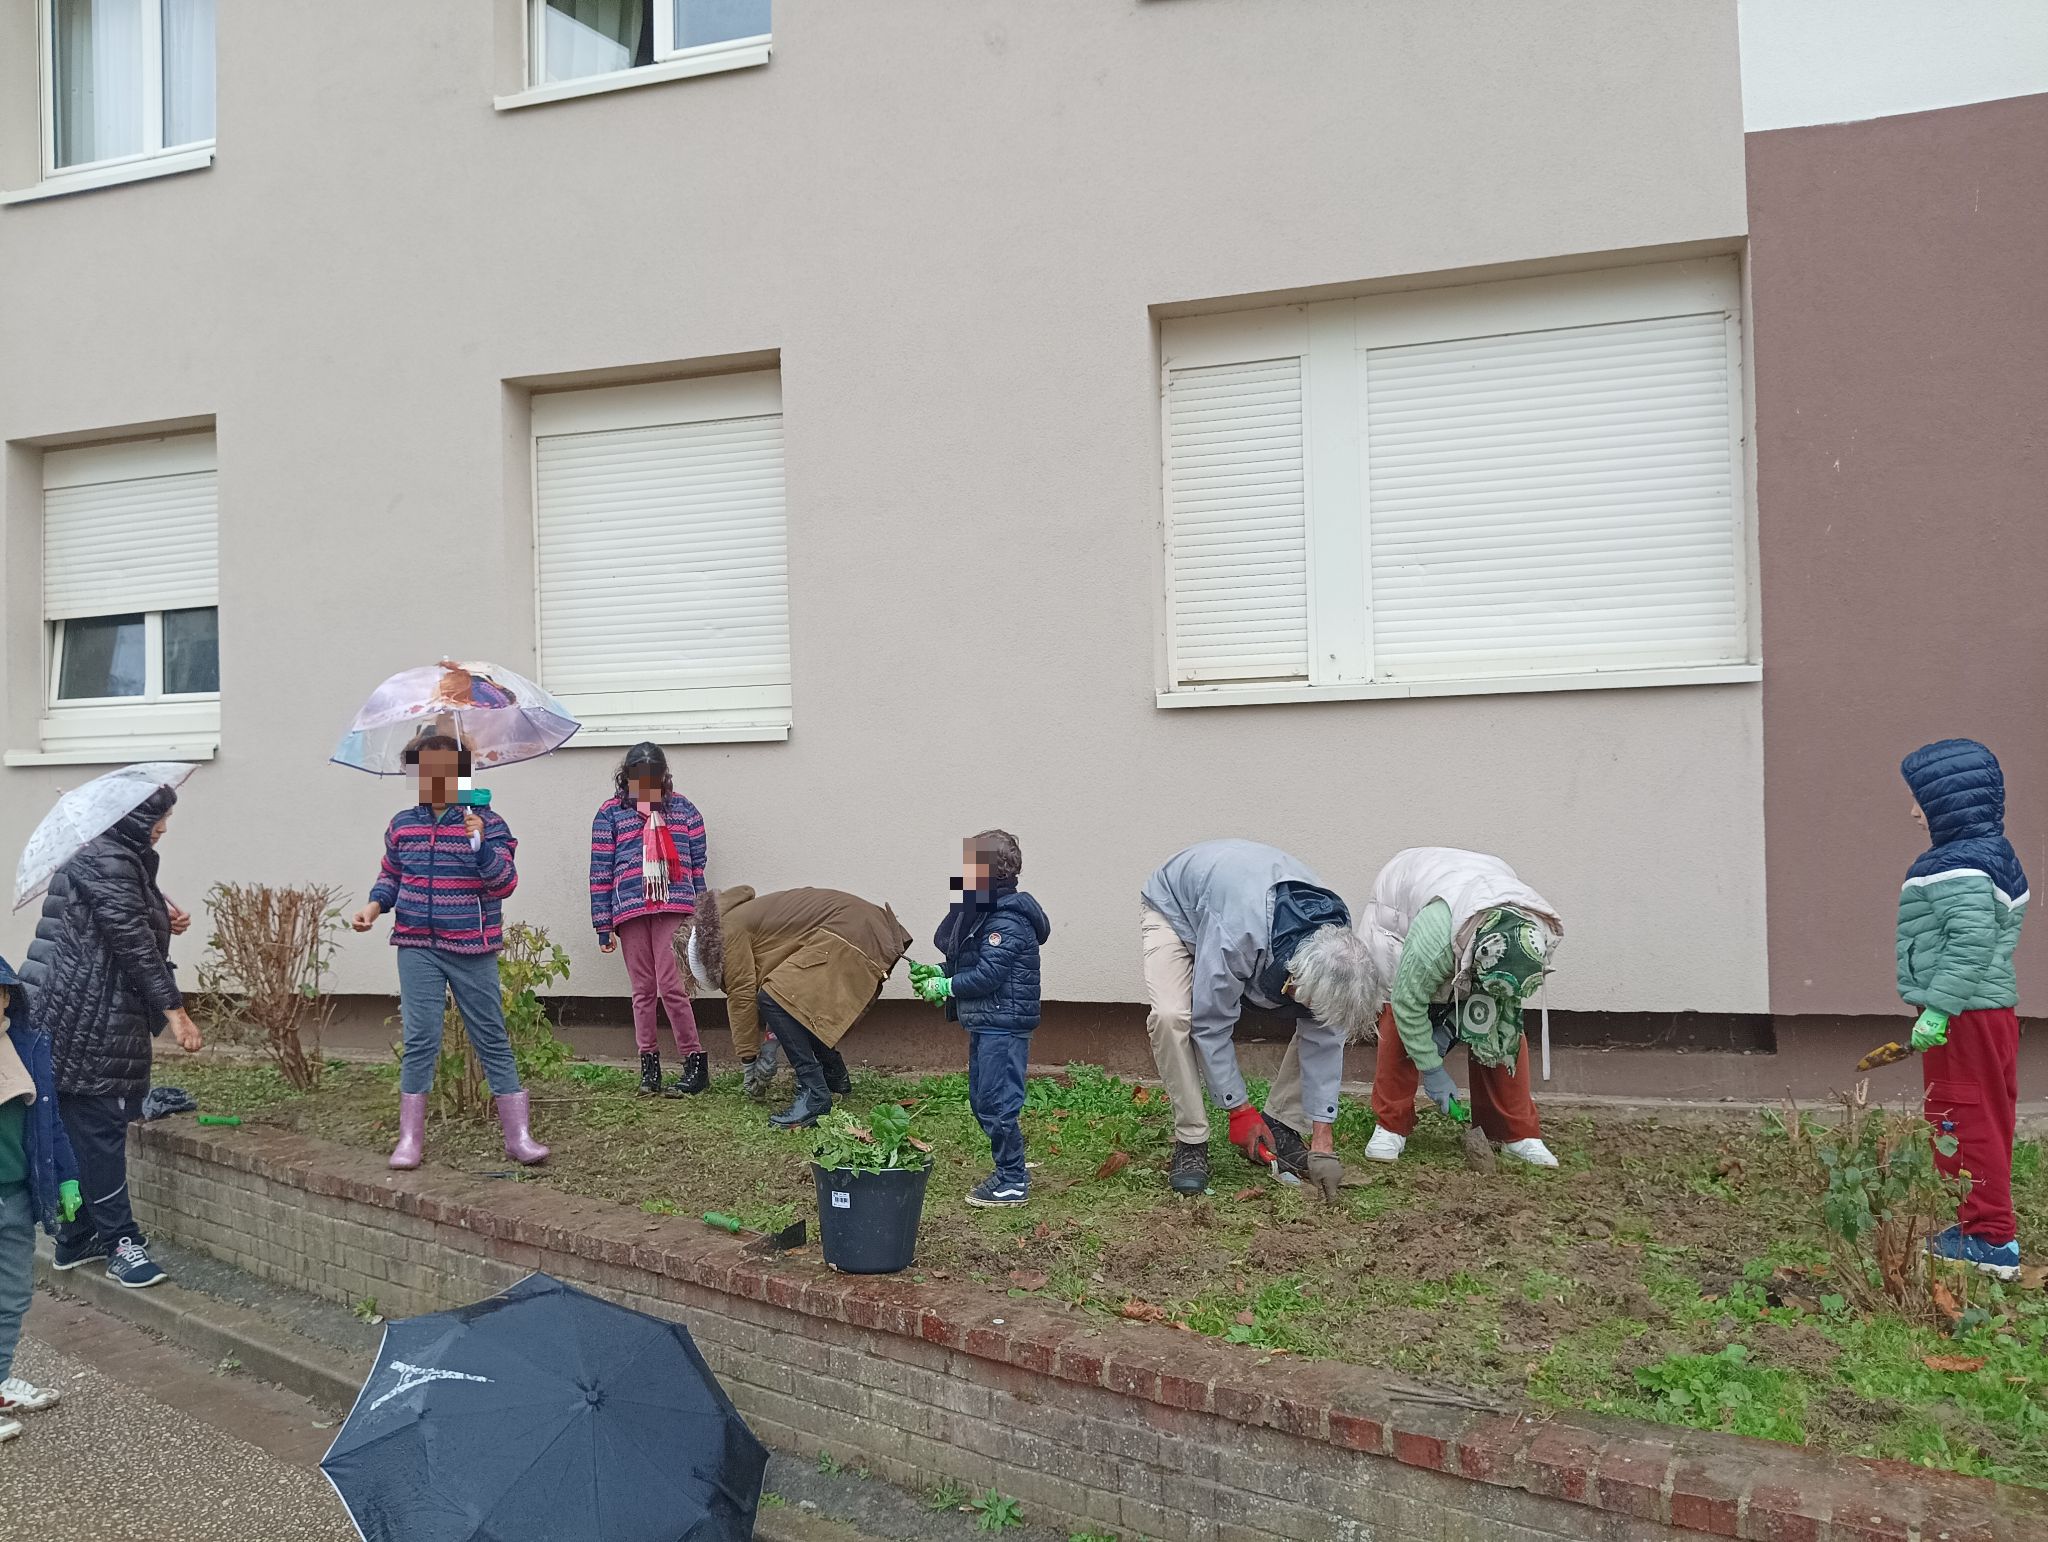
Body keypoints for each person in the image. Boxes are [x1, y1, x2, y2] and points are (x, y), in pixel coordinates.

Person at [21, 785, 200, 1289]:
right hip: (86, 1016)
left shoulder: (116, 855)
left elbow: (121, 924)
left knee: (83, 1128)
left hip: (83, 1009)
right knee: (99, 1128)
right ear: (129, 816)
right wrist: (177, 1013)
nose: (163, 827)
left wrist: (164, 916)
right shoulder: (107, 858)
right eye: (156, 818)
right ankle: (122, 1243)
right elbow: (132, 944)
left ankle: (76, 1237)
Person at [350, 734, 547, 1169]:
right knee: (421, 1039)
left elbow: (505, 884)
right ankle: (409, 1140)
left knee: (491, 1036)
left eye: (444, 770)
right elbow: (392, 876)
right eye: (424, 771)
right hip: (416, 944)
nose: (434, 779)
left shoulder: (488, 823)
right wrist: (374, 905)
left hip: (472, 946)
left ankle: (518, 1137)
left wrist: (481, 848)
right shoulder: (403, 824)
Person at [1139, 840, 1378, 1199]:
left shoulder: (1336, 949)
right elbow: (1211, 1023)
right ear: (1294, 978)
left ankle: (1281, 1123)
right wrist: (1239, 1111)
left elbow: (1325, 1035)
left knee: (1324, 1013)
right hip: (1177, 908)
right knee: (1172, 1016)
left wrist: (1322, 1137)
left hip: (1235, 899)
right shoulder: (1238, 937)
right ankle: (1191, 1139)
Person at [1897, 738, 2028, 1281]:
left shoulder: (1957, 867)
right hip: (1987, 1011)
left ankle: (1991, 1241)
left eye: (1919, 800)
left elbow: (1969, 945)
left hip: (1964, 1016)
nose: (1912, 812)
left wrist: (1938, 1009)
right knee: (1986, 1118)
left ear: (1948, 802)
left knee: (1962, 1118)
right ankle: (1984, 1226)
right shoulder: (1993, 855)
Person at [1355, 848, 1563, 1169]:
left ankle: (1513, 1131)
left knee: (1505, 1026)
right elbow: (1408, 1003)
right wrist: (1433, 1070)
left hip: (1477, 887)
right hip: (1400, 910)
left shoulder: (1528, 934)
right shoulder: (1433, 937)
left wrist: (1450, 1028)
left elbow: (1495, 1001)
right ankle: (1391, 1123)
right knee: (1399, 1023)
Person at [679, 885, 911, 1129]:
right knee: (790, 1000)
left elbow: (742, 996)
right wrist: (768, 1051)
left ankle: (814, 1094)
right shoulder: (738, 918)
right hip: (862, 926)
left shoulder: (727, 932)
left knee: (773, 999)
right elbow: (782, 993)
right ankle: (833, 1077)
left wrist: (749, 1063)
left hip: (852, 931)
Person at [912, 831, 1051, 1208]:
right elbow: (972, 964)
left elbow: (988, 977)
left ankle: (1012, 1180)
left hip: (1003, 1026)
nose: (963, 875)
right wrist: (937, 971)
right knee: (982, 1100)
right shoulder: (987, 912)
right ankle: (1013, 1161)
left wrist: (947, 986)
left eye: (970, 867)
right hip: (988, 1022)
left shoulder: (1007, 920)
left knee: (995, 1102)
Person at [590, 742, 709, 1098]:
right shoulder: (609, 814)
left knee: (673, 987)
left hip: (674, 906)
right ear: (625, 778)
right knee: (642, 990)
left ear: (663, 777)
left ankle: (695, 1064)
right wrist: (602, 925)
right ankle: (649, 1068)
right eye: (636, 778)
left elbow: (697, 865)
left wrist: (701, 918)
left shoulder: (684, 811)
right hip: (630, 909)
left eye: (652, 778)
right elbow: (600, 871)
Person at [0, 955, 82, 1441]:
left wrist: (68, 1178)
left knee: (10, 1297)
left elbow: (49, 1122)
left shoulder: (26, 1047)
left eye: (0, 994)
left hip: (15, 1197)